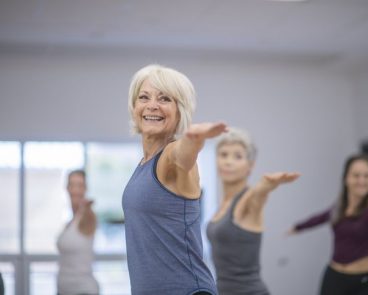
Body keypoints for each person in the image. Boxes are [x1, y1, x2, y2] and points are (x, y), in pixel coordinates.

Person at [122, 64, 225, 295]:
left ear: (180, 110)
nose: (152, 105)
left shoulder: (170, 156)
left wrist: (194, 139)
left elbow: (182, 154)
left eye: (165, 98)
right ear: (134, 106)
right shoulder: (143, 164)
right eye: (144, 97)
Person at [287, 153, 368, 295]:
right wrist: (297, 227)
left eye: (367, 176)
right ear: (346, 178)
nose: (362, 180)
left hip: (363, 281)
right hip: (334, 278)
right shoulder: (339, 208)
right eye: (356, 175)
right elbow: (319, 218)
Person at [206, 128, 300, 295]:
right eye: (223, 154)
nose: (228, 161)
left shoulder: (248, 201)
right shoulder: (222, 204)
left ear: (250, 166)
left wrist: (266, 186)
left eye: (237, 156)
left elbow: (257, 196)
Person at [56, 169, 99, 295]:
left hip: (84, 291)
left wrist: (86, 207)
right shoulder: (69, 223)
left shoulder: (88, 216)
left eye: (80, 185)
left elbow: (89, 222)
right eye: (72, 185)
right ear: (67, 188)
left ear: (85, 189)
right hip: (63, 290)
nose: (75, 190)